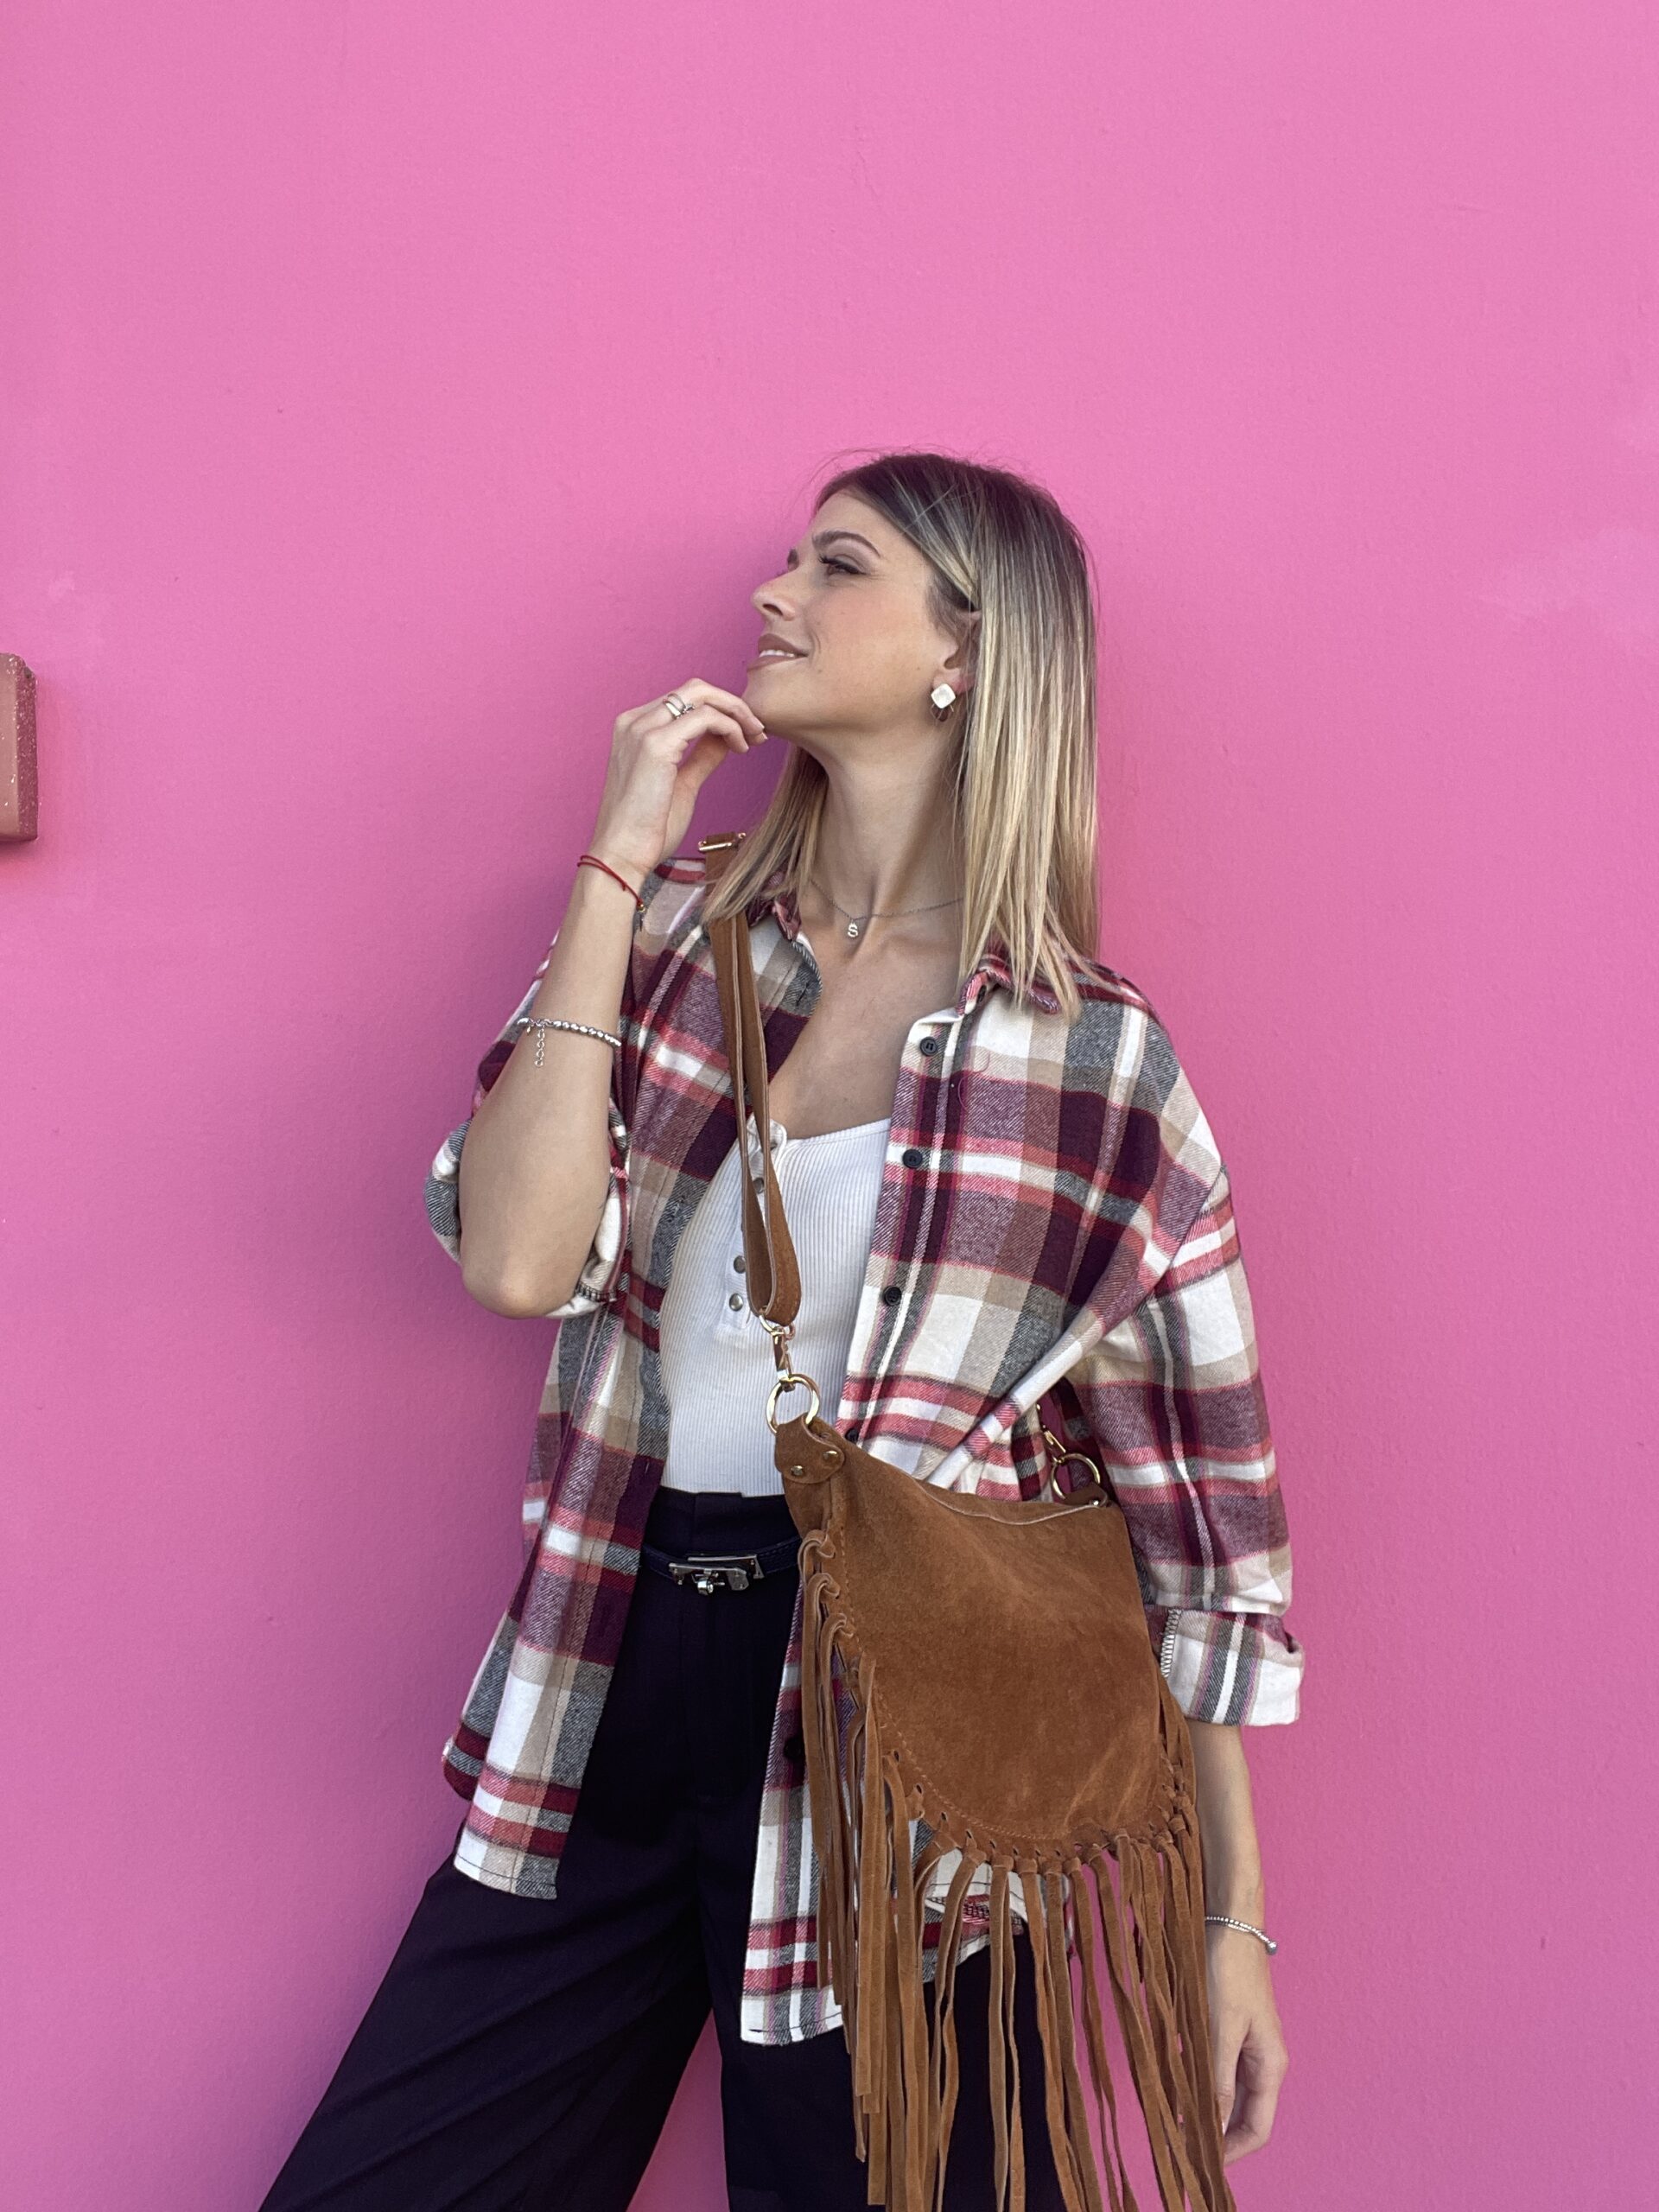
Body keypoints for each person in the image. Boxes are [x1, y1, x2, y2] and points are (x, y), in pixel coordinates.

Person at [259, 451, 1303, 2211]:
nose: (773, 594)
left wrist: (1229, 1920)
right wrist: (617, 861)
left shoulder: (1092, 1058)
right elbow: (514, 1257)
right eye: (790, 560)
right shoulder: (679, 937)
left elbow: (1200, 1523)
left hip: (909, 1743)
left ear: (968, 648)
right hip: (614, 1654)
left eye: (838, 564)